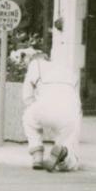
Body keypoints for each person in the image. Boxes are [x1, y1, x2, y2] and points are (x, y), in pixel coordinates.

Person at [22, 30, 83, 172]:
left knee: (28, 118)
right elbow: (76, 100)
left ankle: (37, 154)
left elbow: (27, 97)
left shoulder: (34, 65)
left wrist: (39, 110)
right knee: (71, 151)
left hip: (45, 106)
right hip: (70, 112)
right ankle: (64, 153)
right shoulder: (69, 70)